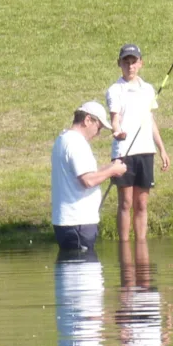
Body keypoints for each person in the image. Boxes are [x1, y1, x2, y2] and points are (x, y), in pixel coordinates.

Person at [107, 43, 170, 242]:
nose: (130, 66)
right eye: (126, 63)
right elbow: (115, 119)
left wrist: (162, 149)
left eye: (133, 62)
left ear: (141, 63)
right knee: (125, 203)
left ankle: (141, 245)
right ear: (119, 64)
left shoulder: (148, 89)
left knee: (141, 203)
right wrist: (117, 132)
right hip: (124, 152)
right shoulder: (115, 90)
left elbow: (149, 119)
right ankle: (124, 246)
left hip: (145, 151)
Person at [50, 101, 127, 253]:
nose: (97, 134)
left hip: (68, 222)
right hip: (78, 223)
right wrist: (112, 171)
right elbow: (88, 180)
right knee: (83, 270)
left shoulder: (63, 139)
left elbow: (84, 173)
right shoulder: (76, 143)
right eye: (98, 128)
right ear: (87, 120)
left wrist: (111, 167)